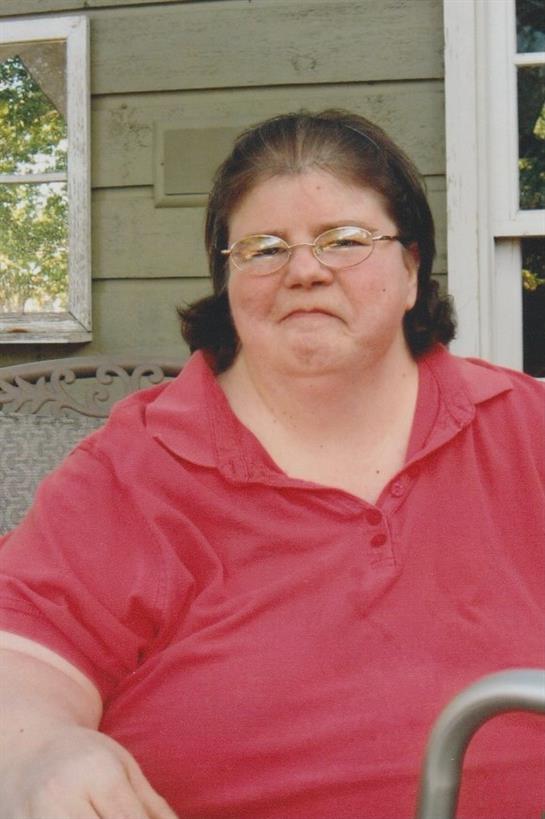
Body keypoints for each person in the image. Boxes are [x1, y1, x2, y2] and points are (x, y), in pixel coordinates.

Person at [0, 109, 543, 819]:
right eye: (261, 248)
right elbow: (25, 655)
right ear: (226, 279)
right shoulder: (131, 469)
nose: (304, 270)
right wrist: (38, 747)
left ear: (411, 268)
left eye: (343, 240)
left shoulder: (523, 429)